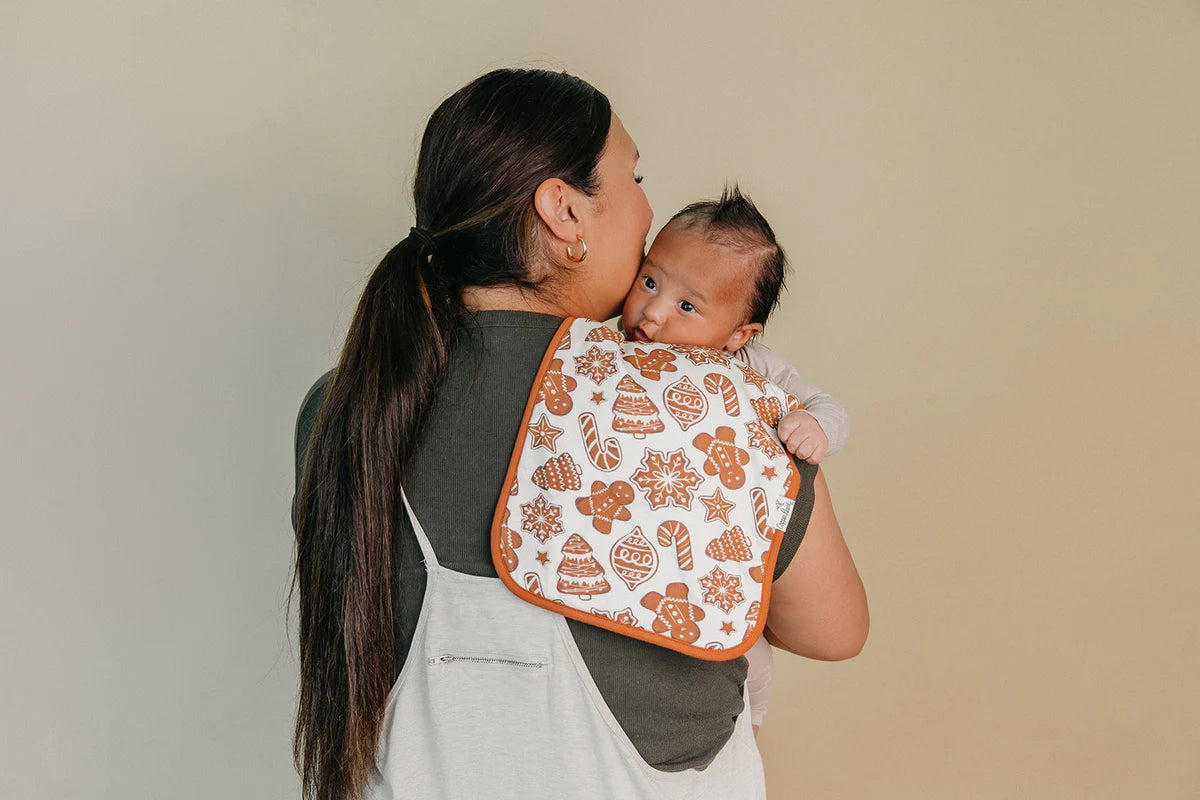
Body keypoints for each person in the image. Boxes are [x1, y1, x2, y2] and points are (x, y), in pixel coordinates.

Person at [291, 68, 868, 800]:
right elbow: (834, 629)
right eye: (634, 178)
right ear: (564, 212)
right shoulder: (722, 404)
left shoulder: (342, 405)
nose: (648, 208)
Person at [619, 186, 851, 734]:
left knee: (743, 649)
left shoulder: (756, 367)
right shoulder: (617, 349)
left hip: (724, 538)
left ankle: (748, 724)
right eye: (650, 281)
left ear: (738, 335)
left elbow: (829, 407)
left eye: (687, 306)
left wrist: (813, 429)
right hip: (653, 525)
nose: (652, 313)